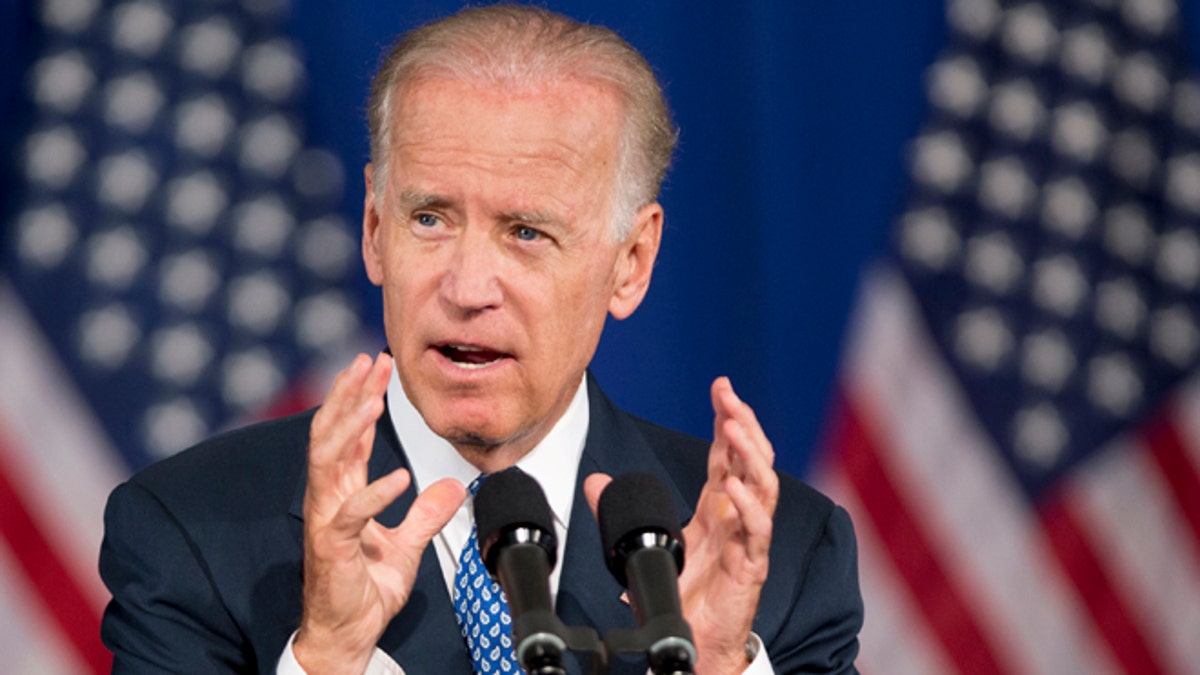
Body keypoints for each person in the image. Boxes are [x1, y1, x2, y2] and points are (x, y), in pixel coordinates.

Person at [99, 5, 863, 674]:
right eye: (429, 218)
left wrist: (718, 668)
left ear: (631, 264)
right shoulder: (190, 531)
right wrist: (328, 659)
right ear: (373, 231)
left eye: (526, 232)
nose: (466, 289)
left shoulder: (783, 559)